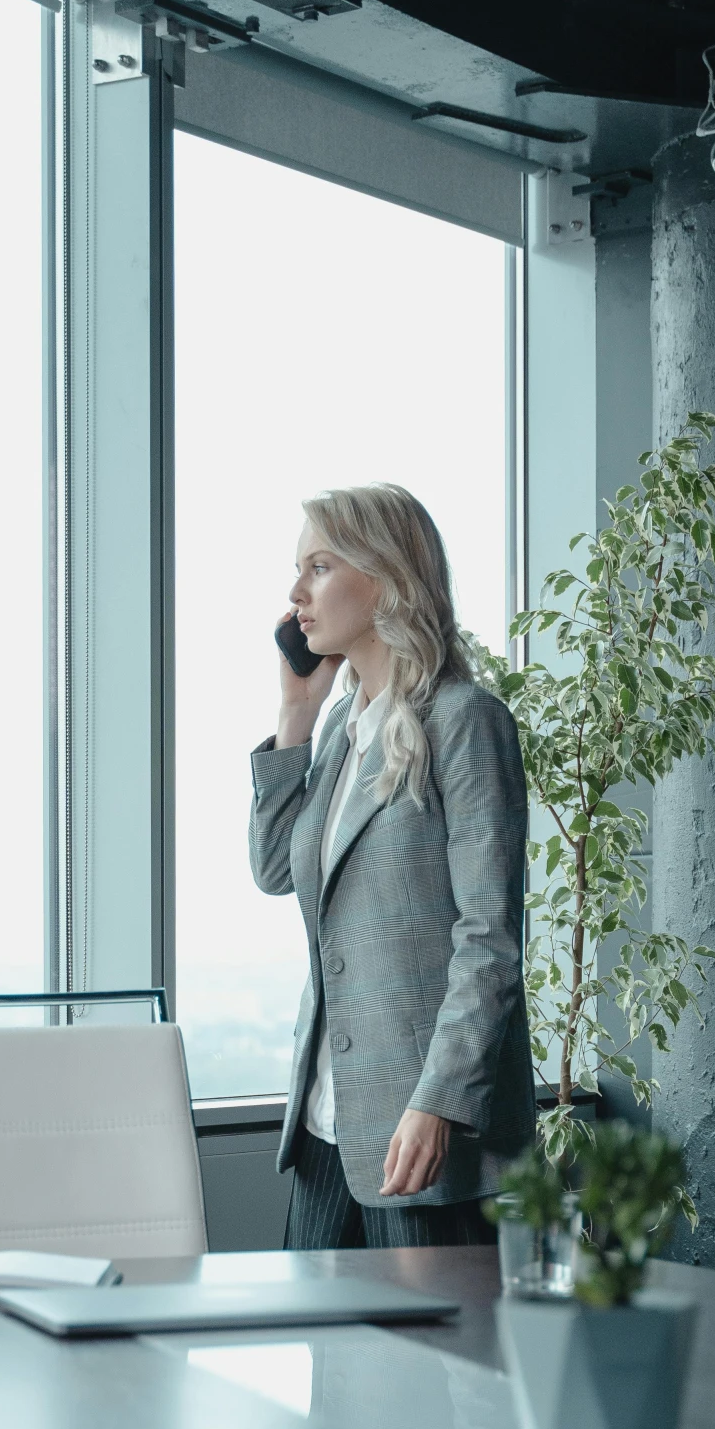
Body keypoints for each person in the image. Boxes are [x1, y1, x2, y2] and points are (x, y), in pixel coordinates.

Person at [249, 482, 534, 1248]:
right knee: (322, 1365)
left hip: (422, 1137)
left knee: (429, 1367)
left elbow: (491, 938)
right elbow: (277, 868)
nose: (295, 593)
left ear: (383, 577)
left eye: (317, 566)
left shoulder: (465, 721)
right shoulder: (343, 725)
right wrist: (296, 717)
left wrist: (438, 1100)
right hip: (324, 1130)